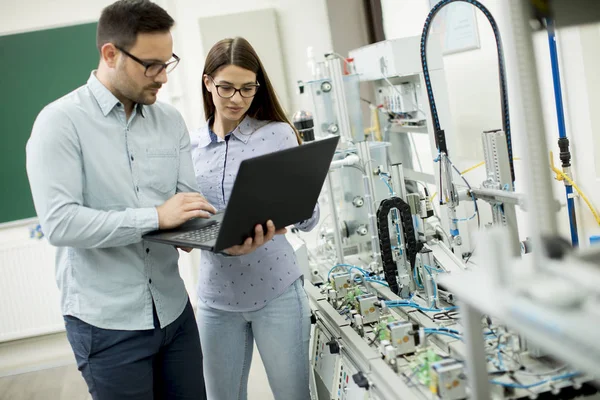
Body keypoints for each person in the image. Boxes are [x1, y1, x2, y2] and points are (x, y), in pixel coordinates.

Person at [25, 1, 215, 399]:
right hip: (106, 325)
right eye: (152, 65)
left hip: (174, 312)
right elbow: (61, 224)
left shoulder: (170, 121)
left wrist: (222, 233)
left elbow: (183, 208)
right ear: (110, 54)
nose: (163, 77)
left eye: (168, 62)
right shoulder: (59, 123)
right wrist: (155, 217)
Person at [190, 37, 319, 400]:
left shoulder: (276, 134)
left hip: (276, 291)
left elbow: (309, 219)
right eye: (227, 87)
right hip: (216, 300)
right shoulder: (189, 146)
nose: (236, 98)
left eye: (248, 89)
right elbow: (185, 216)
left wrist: (300, 191)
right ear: (208, 83)